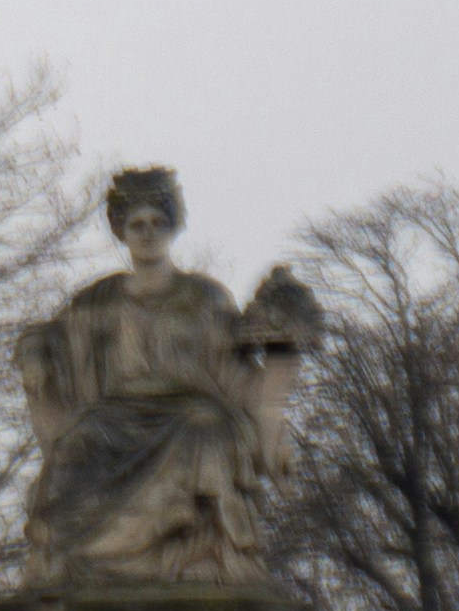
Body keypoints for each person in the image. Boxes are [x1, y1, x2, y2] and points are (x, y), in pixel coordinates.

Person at [17, 165, 316, 584]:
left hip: (192, 414)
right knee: (79, 446)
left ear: (173, 225)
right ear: (120, 230)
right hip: (114, 420)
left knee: (204, 429)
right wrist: (33, 353)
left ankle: (197, 559)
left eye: (158, 222)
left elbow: (236, 380)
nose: (147, 233)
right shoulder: (95, 303)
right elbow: (49, 345)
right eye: (136, 224)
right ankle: (75, 568)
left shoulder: (204, 298)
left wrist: (281, 363)